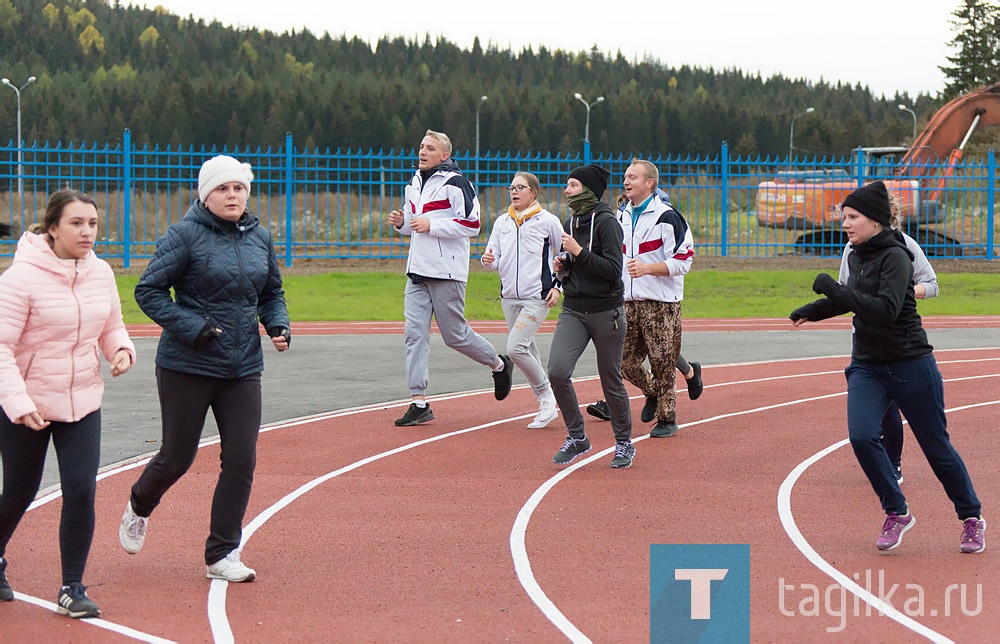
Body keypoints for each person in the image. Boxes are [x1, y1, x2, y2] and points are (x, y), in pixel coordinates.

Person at [119, 155, 290, 583]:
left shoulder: (260, 238)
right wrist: (194, 328)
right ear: (206, 194)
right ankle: (140, 503)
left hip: (242, 365)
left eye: (239, 188)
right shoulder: (184, 236)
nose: (232, 195)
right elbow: (149, 290)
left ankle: (221, 553)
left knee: (241, 459)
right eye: (223, 189)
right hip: (186, 364)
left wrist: (277, 324)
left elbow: (271, 292)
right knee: (177, 457)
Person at [790, 180, 985, 553]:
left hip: (910, 362)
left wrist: (834, 290)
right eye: (843, 216)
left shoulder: (897, 256)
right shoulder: (854, 252)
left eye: (852, 216)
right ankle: (897, 511)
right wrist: (813, 311)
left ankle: (971, 517)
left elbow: (884, 310)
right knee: (862, 435)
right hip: (867, 364)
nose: (844, 223)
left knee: (936, 447)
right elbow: (851, 299)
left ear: (875, 220)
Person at [0, 190, 136, 617]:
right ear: (53, 228)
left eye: (92, 223)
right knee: (19, 490)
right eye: (77, 223)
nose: (87, 232)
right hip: (28, 404)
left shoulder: (100, 273)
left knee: (81, 490)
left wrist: (121, 350)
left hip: (82, 401)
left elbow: (111, 324)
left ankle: (72, 587)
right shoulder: (19, 279)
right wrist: (17, 401)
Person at [388, 129, 513, 426]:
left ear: (444, 155)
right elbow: (413, 224)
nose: (422, 152)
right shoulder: (414, 182)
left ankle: (498, 364)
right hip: (417, 271)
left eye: (429, 148)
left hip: (447, 271)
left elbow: (472, 224)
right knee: (413, 335)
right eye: (421, 146)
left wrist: (431, 224)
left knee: (454, 335)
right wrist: (403, 222)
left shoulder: (456, 182)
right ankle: (418, 400)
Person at [585, 187, 702, 424]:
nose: (626, 181)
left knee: (662, 361)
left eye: (632, 177)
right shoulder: (622, 216)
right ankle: (653, 393)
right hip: (627, 301)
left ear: (649, 183)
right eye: (626, 177)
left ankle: (667, 419)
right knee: (622, 363)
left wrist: (647, 269)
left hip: (660, 302)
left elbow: (683, 260)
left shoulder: (667, 215)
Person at [548, 164, 635, 469]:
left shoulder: (608, 223)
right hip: (574, 308)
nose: (566, 190)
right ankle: (577, 437)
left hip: (606, 310)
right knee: (557, 371)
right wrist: (564, 265)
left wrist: (579, 252)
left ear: (586, 190)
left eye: (571, 185)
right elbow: (576, 262)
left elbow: (613, 270)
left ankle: (624, 443)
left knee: (610, 379)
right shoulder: (570, 222)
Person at [839, 230, 939, 484]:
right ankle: (881, 462)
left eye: (854, 217)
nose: (848, 224)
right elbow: (843, 290)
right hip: (863, 339)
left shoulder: (904, 246)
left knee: (893, 405)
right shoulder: (853, 247)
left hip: (897, 341)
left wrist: (902, 290)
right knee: (872, 411)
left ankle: (893, 463)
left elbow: (932, 286)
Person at [481, 171, 564, 428]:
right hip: (509, 297)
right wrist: (488, 261)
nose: (514, 192)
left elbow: (565, 257)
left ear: (533, 193)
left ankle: (548, 398)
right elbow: (491, 257)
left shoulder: (548, 221)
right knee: (526, 348)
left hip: (537, 296)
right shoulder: (502, 222)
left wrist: (558, 286)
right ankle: (545, 403)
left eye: (520, 187)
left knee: (515, 348)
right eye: (511, 188)